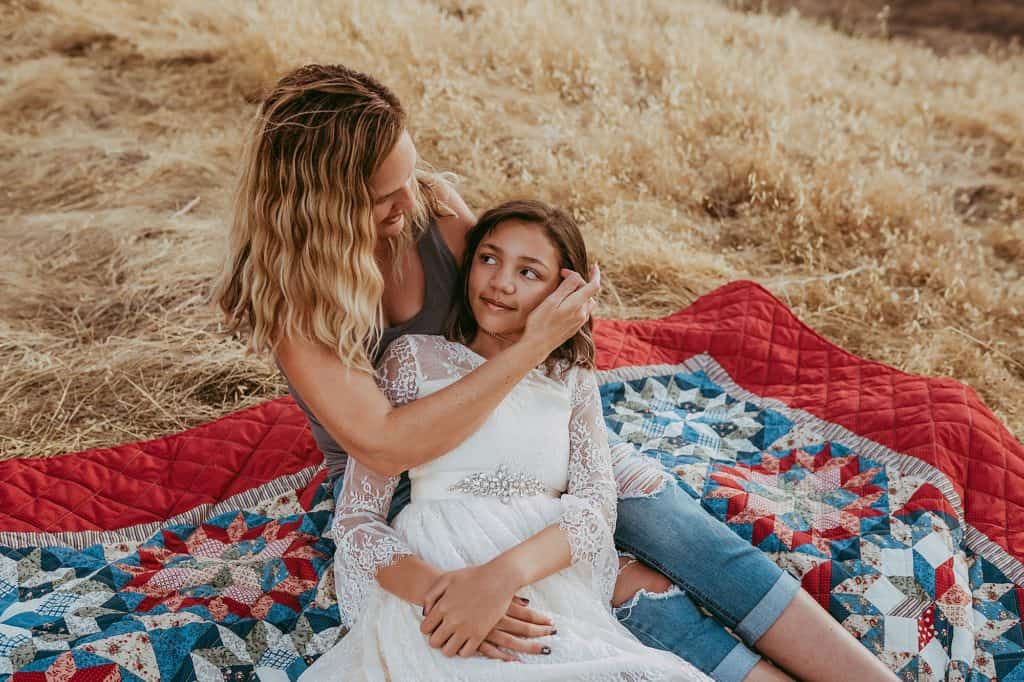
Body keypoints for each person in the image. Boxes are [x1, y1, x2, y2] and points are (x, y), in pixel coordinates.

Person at [214, 64, 897, 682]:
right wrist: (531, 351)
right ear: (324, 204)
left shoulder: (430, 211)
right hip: (417, 483)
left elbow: (511, 305)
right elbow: (389, 445)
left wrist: (551, 332)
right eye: (383, 197)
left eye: (409, 177)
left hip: (525, 423)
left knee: (679, 527)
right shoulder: (297, 306)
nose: (409, 202)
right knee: (620, 589)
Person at [299, 200, 710, 680]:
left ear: (563, 293)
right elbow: (357, 519)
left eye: (528, 272)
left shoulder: (570, 376)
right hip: (438, 575)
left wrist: (498, 580)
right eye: (489, 259)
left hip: (540, 570)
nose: (501, 283)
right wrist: (444, 595)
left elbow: (596, 508)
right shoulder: (415, 358)